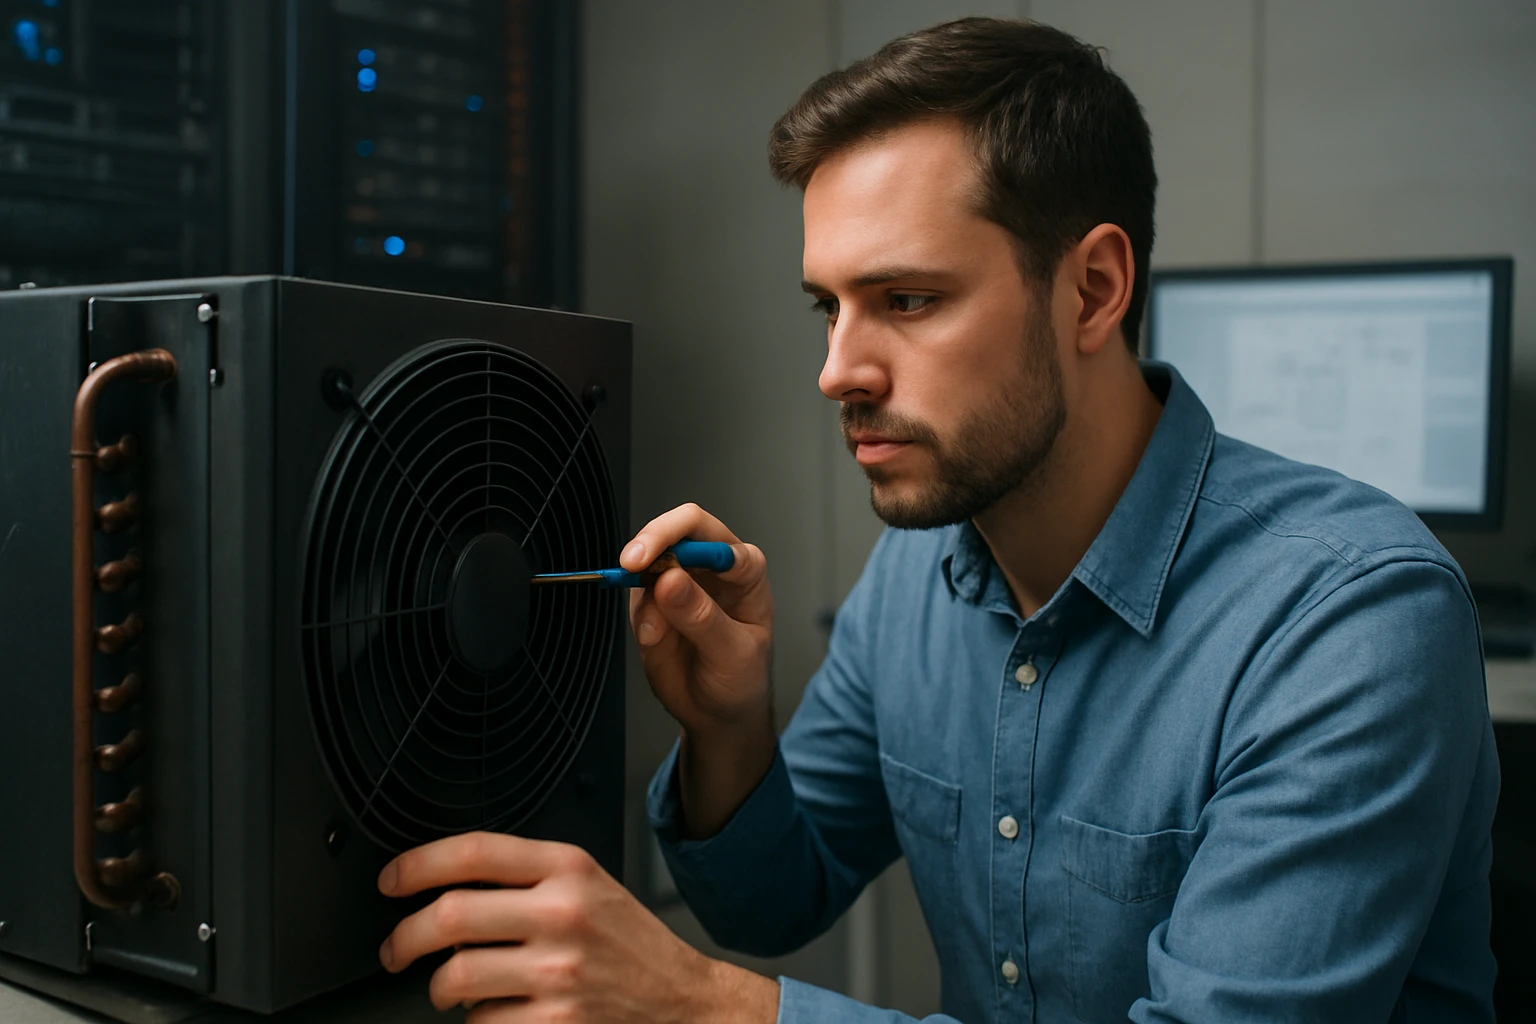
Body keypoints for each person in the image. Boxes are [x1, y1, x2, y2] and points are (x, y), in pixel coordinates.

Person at [372, 17, 1498, 1023]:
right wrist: (730, 729)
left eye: (907, 300)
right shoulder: (921, 570)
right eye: (830, 306)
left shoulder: (1349, 621)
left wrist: (702, 1007)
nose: (837, 369)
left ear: (1093, 290)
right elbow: (771, 900)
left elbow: (736, 973)